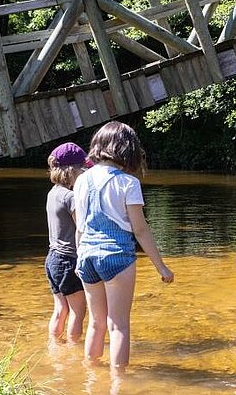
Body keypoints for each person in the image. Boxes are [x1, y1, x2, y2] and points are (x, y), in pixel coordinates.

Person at [73, 121, 174, 370]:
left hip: (86, 255)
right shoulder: (128, 183)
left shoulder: (81, 181)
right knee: (118, 325)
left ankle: (91, 377)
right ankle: (120, 387)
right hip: (116, 257)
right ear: (127, 149)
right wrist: (161, 267)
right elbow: (140, 229)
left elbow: (80, 227)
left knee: (95, 323)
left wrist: (78, 260)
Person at [45, 142, 91, 343]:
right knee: (78, 313)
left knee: (60, 309)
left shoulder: (53, 193)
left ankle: (55, 347)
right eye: (83, 168)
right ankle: (73, 351)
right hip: (69, 261)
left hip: (52, 259)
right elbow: (82, 228)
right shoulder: (71, 197)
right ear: (73, 170)